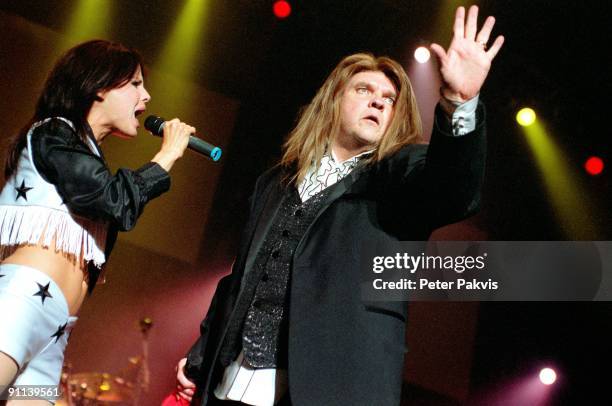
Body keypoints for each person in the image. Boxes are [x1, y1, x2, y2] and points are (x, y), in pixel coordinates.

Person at [175, 5, 504, 406]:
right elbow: (239, 279)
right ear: (333, 101)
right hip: (232, 382)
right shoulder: (275, 183)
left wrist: (459, 101)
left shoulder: (398, 176)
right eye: (365, 90)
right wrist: (199, 357)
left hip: (330, 389)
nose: (379, 102)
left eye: (389, 98)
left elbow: (454, 191)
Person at [0, 39, 193, 404]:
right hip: (21, 303)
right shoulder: (54, 132)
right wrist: (166, 156)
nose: (147, 96)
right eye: (135, 84)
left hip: (55, 330)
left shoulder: (87, 153)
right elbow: (114, 201)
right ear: (99, 86)